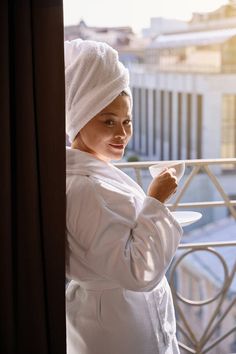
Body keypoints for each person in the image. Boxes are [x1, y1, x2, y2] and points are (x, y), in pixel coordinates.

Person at [65, 38, 183, 354]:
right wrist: (156, 200)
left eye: (126, 121)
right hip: (118, 329)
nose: (122, 134)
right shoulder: (85, 187)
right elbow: (137, 272)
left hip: (120, 318)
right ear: (78, 120)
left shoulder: (91, 174)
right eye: (108, 121)